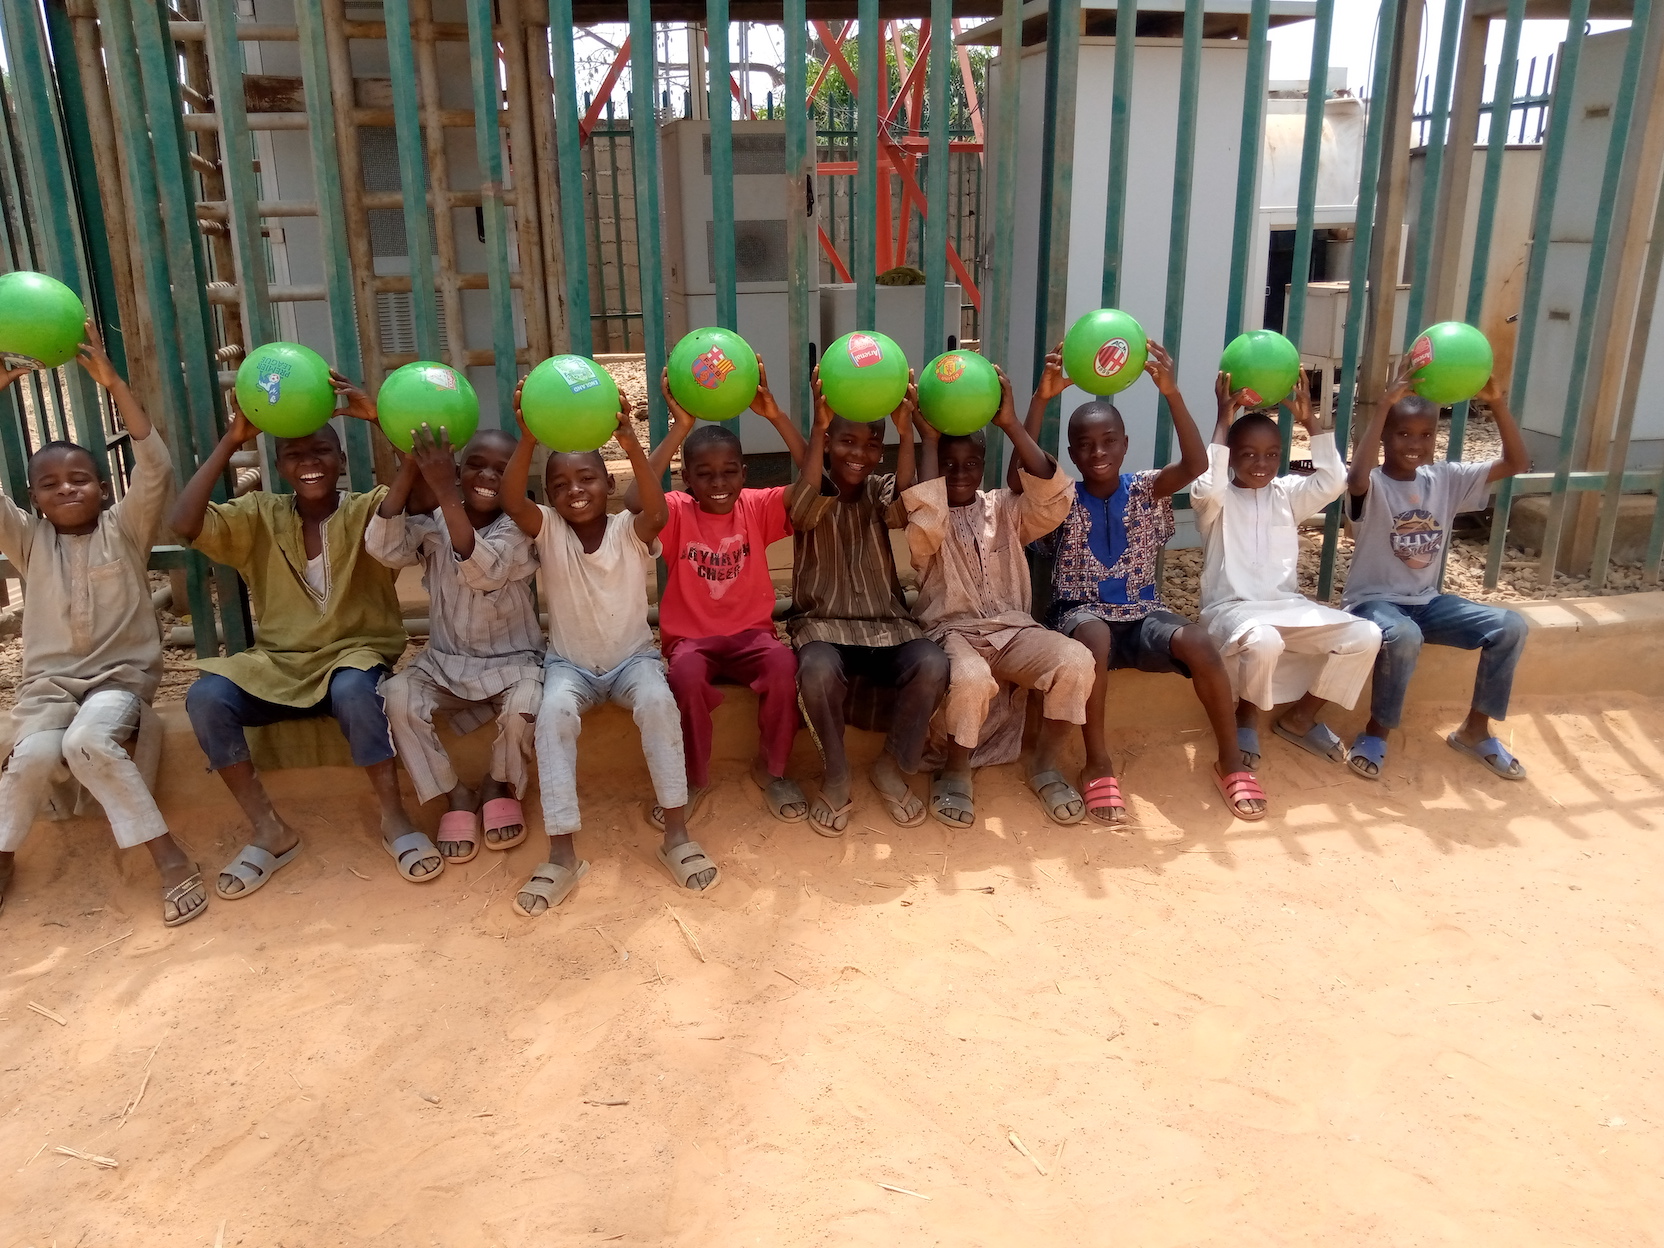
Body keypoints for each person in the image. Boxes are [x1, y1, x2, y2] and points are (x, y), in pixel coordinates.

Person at [170, 381, 438, 899]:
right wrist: (232, 439)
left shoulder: (368, 508)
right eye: (294, 455)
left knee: (354, 690)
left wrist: (379, 419)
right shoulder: (259, 515)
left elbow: (426, 497)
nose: (309, 463)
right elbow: (184, 523)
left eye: (321, 451)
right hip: (279, 663)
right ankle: (268, 829)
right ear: (279, 467)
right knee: (205, 697)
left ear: (342, 460)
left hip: (354, 656)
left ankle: (395, 817)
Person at [0, 323, 205, 925]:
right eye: (50, 484)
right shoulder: (28, 542)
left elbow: (156, 468)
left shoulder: (125, 529)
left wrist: (114, 385)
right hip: (46, 690)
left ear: (103, 487)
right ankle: (4, 856)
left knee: (85, 741)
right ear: (34, 499)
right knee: (32, 756)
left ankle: (166, 856)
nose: (67, 489)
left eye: (80, 479)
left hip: (118, 681)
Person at [1022, 342, 1267, 822]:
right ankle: (1098, 763)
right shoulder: (1062, 496)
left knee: (1197, 640)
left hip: (1141, 614)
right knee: (1094, 634)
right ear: (1071, 452)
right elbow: (1022, 476)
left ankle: (1230, 760)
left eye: (1109, 441)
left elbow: (1196, 465)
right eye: (1085, 445)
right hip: (1079, 616)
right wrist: (1040, 400)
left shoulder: (1145, 488)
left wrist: (1171, 392)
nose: (1098, 452)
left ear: (1125, 444)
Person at [498, 382, 715, 916]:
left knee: (659, 703)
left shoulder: (628, 530)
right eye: (560, 484)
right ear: (549, 496)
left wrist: (630, 441)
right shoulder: (549, 530)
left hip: (632, 661)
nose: (575, 490)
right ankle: (562, 854)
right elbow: (511, 501)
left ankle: (676, 834)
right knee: (552, 716)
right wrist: (528, 437)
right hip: (569, 666)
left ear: (610, 483)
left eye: (587, 478)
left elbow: (657, 513)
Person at [621, 360, 810, 827]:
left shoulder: (757, 506)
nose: (719, 483)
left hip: (752, 637)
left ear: (744, 473)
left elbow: (813, 482)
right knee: (684, 677)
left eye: (729, 472)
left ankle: (773, 769)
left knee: (784, 666)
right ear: (687, 478)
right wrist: (680, 427)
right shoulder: (676, 510)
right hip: (692, 642)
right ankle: (691, 778)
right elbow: (633, 501)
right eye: (705, 474)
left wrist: (776, 416)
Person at [905, 366, 1093, 827]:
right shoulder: (925, 518)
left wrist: (1011, 422)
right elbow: (927, 523)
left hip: (1013, 631)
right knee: (969, 678)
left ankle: (1045, 765)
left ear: (984, 466)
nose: (959, 474)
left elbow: (1053, 497)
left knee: (1075, 661)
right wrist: (927, 440)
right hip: (952, 633)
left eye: (970, 464)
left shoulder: (1004, 508)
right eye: (948, 465)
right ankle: (956, 770)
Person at [1341, 368, 1532, 780]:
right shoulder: (1371, 484)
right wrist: (1384, 405)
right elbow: (1355, 478)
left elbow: (1518, 462)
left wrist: (1497, 404)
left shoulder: (1445, 479)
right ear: (1384, 436)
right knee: (1404, 635)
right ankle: (1376, 732)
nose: (1415, 444)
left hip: (1427, 603)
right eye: (1402, 433)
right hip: (1373, 602)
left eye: (1425, 434)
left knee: (1510, 626)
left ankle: (1475, 731)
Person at [367, 424, 544, 860]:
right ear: (459, 470)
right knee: (396, 696)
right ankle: (454, 793)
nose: (488, 476)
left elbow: (484, 571)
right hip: (444, 664)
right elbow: (383, 549)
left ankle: (498, 783)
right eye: (476, 465)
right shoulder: (434, 523)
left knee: (527, 705)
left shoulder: (521, 530)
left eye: (502, 470)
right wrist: (411, 465)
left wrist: (445, 492)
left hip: (514, 663)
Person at [1190, 374, 1382, 773]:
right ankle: (1246, 718)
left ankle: (1301, 717)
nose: (1261, 464)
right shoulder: (1216, 502)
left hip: (1287, 608)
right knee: (1265, 641)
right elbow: (1207, 486)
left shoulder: (1288, 494)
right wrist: (1223, 420)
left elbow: (1335, 481)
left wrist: (1311, 422)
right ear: (1231, 456)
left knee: (1366, 635)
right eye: (1248, 454)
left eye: (1271, 454)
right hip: (1232, 611)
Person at [788, 371, 950, 835]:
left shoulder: (878, 491)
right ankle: (837, 773)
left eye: (872, 444)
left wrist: (907, 434)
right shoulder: (811, 491)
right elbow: (802, 510)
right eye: (847, 441)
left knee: (933, 663)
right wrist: (817, 426)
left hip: (886, 627)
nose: (859, 453)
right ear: (827, 443)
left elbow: (908, 505)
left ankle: (890, 765)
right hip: (823, 626)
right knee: (816, 670)